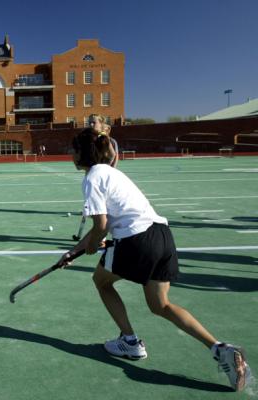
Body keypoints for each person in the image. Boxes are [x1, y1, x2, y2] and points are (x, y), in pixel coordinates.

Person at [58, 128, 251, 391]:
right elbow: (106, 225)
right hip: (162, 236)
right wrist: (74, 251)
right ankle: (220, 349)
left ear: (82, 152)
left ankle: (129, 341)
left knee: (101, 282)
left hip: (137, 240)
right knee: (160, 305)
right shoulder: (114, 173)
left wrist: (91, 246)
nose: (70, 153)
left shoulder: (92, 177)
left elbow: (101, 226)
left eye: (73, 148)